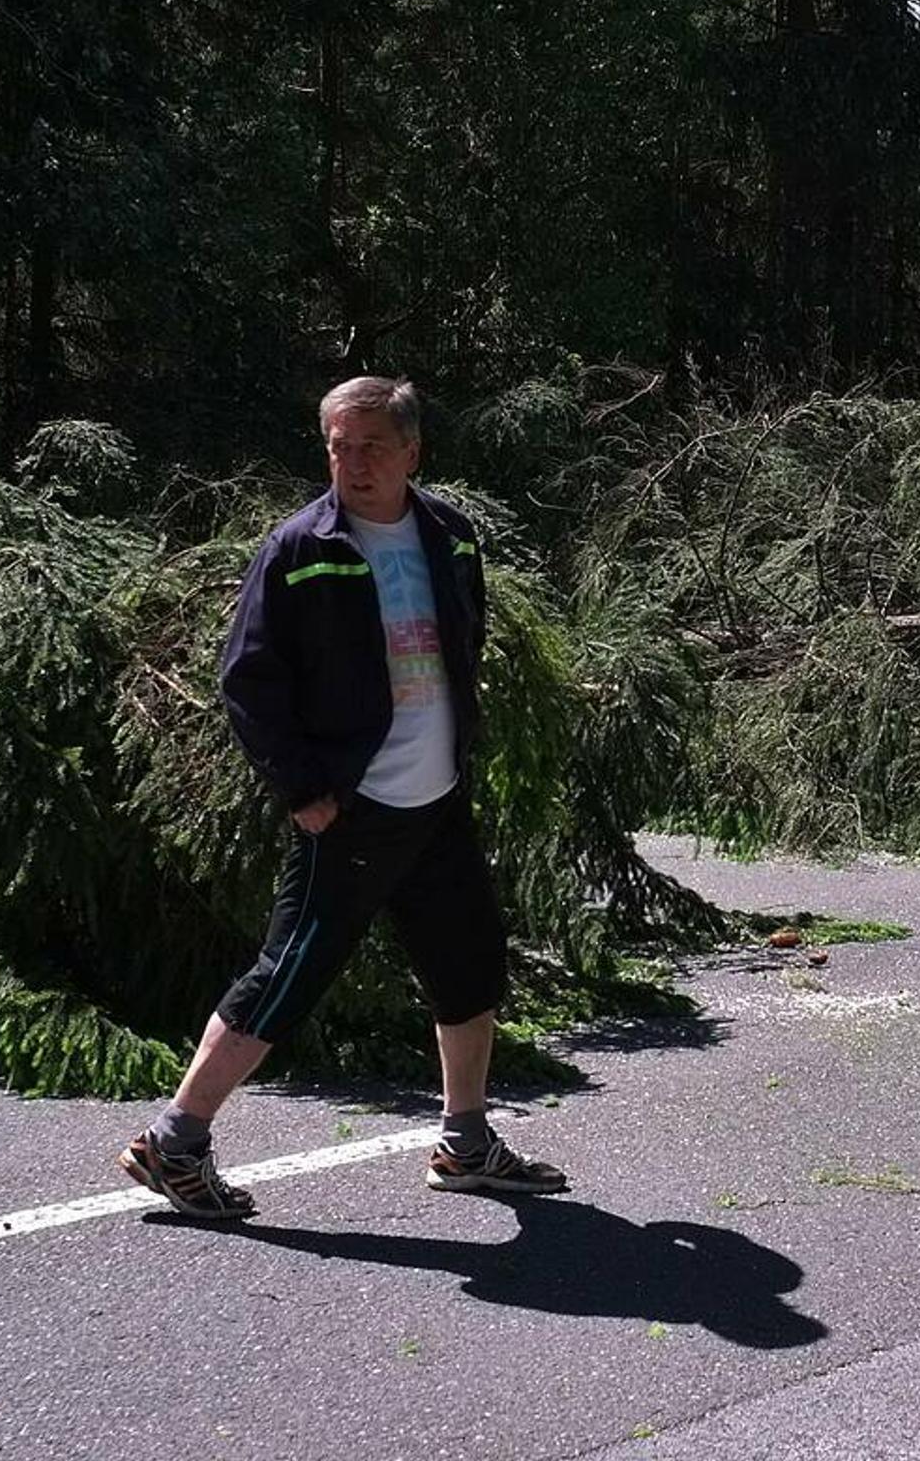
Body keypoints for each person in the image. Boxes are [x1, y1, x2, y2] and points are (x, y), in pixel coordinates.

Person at [118, 375, 567, 1219]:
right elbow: (246, 680)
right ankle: (174, 1143)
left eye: (371, 447)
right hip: (353, 811)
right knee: (288, 977)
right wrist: (302, 788)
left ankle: (464, 1143)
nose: (353, 464)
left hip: (436, 802)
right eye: (338, 447)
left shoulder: (452, 537)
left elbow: (462, 644)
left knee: (470, 966)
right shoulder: (298, 548)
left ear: (411, 453)